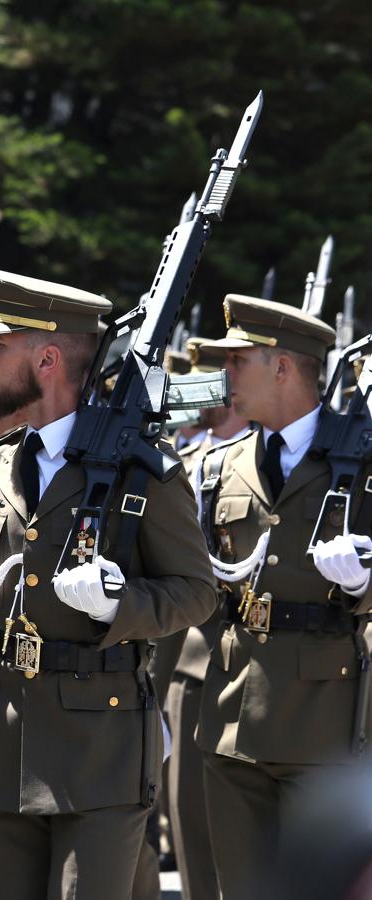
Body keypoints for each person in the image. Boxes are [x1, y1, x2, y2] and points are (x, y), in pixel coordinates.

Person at [0, 269, 216, 898]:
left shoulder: (145, 472)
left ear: (47, 359)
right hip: (3, 745)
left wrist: (120, 604)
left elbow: (195, 589)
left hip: (101, 752)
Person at [192, 294, 370, 899]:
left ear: (283, 368)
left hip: (325, 725)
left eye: (238, 361)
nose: (225, 377)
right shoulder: (220, 466)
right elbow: (197, 593)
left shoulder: (363, 461)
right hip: (231, 721)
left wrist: (365, 584)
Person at [158, 334, 250, 900]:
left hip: (270, 666)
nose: (197, 396)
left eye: (208, 380)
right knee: (189, 818)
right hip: (191, 668)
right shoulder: (184, 464)